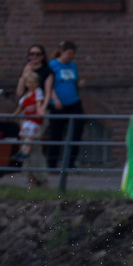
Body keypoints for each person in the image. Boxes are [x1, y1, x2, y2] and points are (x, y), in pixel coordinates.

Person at [46, 40, 85, 170]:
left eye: (73, 54)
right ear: (62, 52)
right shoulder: (52, 65)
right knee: (56, 133)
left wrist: (79, 84)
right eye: (69, 53)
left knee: (76, 131)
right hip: (58, 103)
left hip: (73, 102)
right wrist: (55, 99)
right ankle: (52, 163)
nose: (71, 56)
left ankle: (71, 162)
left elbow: (73, 81)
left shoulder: (73, 65)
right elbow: (49, 85)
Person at [12, 70, 47, 187]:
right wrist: (15, 114)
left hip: (34, 120)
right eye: (29, 82)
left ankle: (26, 149)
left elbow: (38, 103)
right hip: (27, 119)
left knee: (31, 136)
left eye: (33, 82)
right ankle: (22, 150)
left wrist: (39, 110)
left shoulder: (38, 92)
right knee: (23, 134)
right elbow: (21, 106)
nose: (31, 84)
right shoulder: (26, 95)